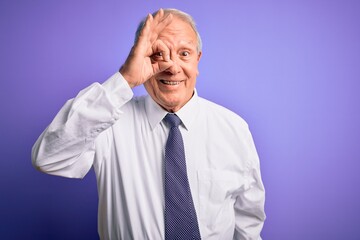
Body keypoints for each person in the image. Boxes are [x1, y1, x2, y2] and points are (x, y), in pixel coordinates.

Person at [32, 8, 266, 240]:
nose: (172, 67)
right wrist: (125, 79)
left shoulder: (234, 129)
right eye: (157, 54)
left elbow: (248, 221)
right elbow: (48, 158)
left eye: (184, 53)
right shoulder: (107, 122)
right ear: (139, 57)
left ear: (198, 59)